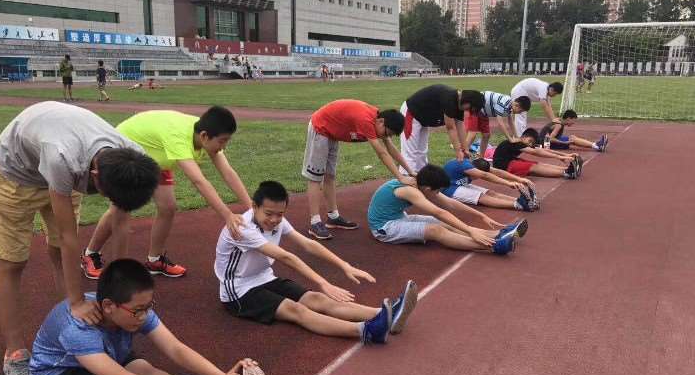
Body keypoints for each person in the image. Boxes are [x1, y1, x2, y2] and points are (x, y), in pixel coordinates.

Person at [0, 101, 160, 375]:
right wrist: (79, 301)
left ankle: (72, 329)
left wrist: (117, 293)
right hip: (17, 174)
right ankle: (14, 352)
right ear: (96, 177)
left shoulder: (132, 157)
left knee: (57, 251)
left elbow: (120, 224)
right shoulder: (62, 158)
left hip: (65, 162)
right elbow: (70, 238)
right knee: (13, 261)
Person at [30, 259, 268, 375]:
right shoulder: (77, 329)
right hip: (62, 373)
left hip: (109, 353)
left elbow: (175, 348)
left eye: (148, 307)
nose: (144, 316)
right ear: (109, 306)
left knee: (151, 374)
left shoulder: (131, 308)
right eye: (138, 310)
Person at [215, 181, 419, 342]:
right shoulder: (242, 228)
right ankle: (366, 331)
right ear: (254, 206)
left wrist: (344, 265)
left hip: (264, 278)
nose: (274, 220)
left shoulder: (277, 219)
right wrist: (323, 282)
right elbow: (285, 257)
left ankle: (388, 313)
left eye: (280, 214)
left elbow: (308, 244)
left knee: (317, 299)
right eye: (269, 214)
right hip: (238, 291)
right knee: (296, 310)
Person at [83, 107, 251, 280]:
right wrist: (227, 215)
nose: (224, 146)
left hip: (155, 156)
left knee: (168, 207)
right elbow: (199, 181)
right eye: (222, 141)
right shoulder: (178, 138)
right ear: (204, 136)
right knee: (120, 211)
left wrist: (252, 207)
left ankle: (154, 260)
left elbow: (228, 172)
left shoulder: (206, 133)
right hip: (127, 152)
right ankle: (93, 256)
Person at [302, 99, 413, 240]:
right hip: (320, 127)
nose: (386, 137)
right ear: (381, 122)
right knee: (315, 176)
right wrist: (400, 177)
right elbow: (382, 153)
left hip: (332, 131)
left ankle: (333, 217)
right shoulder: (366, 121)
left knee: (330, 176)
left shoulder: (378, 121)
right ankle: (315, 222)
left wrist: (409, 171)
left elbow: (391, 148)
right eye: (387, 133)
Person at [367, 164, 522, 254]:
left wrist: (480, 215)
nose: (438, 194)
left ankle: (498, 234)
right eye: (437, 191)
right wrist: (469, 230)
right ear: (428, 188)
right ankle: (494, 245)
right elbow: (439, 211)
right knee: (436, 230)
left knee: (445, 223)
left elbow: (450, 203)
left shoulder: (421, 183)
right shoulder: (410, 190)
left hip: (399, 218)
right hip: (384, 228)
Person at [400, 85, 484, 172]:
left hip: (423, 119)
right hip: (411, 113)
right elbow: (450, 128)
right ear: (467, 101)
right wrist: (458, 151)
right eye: (470, 108)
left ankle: (421, 175)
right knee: (410, 151)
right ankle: (405, 176)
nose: (468, 111)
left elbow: (460, 126)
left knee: (422, 151)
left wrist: (465, 148)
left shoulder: (459, 104)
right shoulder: (449, 99)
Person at [442, 158, 538, 212]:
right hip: (448, 189)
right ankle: (518, 205)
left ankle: (525, 201)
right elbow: (485, 175)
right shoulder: (467, 167)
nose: (478, 178)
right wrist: (508, 183)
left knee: (491, 193)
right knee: (481, 197)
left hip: (459, 185)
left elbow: (497, 172)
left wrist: (519, 179)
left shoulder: (477, 165)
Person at [492, 128, 581, 179]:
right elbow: (536, 152)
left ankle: (567, 169)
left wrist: (565, 155)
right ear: (523, 137)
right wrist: (559, 157)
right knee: (533, 167)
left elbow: (544, 150)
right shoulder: (516, 142)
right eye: (530, 141)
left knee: (539, 164)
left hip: (510, 161)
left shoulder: (523, 142)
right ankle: (567, 172)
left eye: (532, 143)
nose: (530, 144)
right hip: (503, 166)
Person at [463, 92, 532, 159]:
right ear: (517, 105)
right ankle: (462, 156)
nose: (519, 113)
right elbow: (500, 123)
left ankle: (481, 158)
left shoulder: (511, 106)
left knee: (486, 135)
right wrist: (510, 139)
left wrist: (517, 137)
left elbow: (510, 122)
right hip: (474, 106)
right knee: (472, 133)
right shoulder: (503, 104)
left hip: (483, 112)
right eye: (520, 111)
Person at [540, 110, 608, 153]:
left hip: (544, 141)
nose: (574, 123)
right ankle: (597, 146)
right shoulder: (559, 125)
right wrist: (564, 142)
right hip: (545, 144)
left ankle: (596, 145)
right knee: (572, 139)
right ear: (568, 118)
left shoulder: (558, 120)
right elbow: (550, 139)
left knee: (572, 137)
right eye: (573, 121)